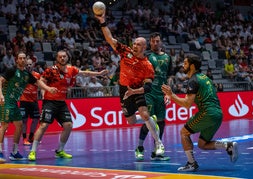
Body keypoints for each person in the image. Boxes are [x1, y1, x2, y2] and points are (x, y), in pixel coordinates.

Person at [95, 12, 165, 156]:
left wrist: (135, 91)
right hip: (124, 90)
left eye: (138, 44)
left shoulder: (147, 65)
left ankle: (159, 143)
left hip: (137, 91)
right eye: (133, 43)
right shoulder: (125, 52)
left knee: (145, 114)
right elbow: (110, 39)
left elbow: (148, 86)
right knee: (131, 121)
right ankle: (150, 120)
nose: (134, 46)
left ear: (144, 47)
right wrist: (102, 22)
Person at [161, 53, 238, 172]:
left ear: (192, 66)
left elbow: (187, 104)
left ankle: (191, 163)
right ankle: (228, 145)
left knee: (184, 132)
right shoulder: (205, 77)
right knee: (202, 144)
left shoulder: (193, 80)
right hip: (218, 114)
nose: (183, 65)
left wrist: (172, 95)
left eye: (185, 63)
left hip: (208, 112)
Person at [28, 50, 108, 161]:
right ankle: (32, 151)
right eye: (60, 57)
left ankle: (60, 150)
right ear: (57, 59)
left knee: (68, 125)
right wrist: (47, 89)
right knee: (43, 126)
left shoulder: (71, 70)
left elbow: (85, 73)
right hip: (50, 102)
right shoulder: (51, 70)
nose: (62, 58)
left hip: (61, 103)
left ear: (67, 58)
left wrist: (99, 74)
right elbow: (40, 81)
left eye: (64, 56)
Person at [0, 51, 57, 163]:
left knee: (20, 125)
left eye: (24, 58)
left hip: (15, 103)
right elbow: (0, 80)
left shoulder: (26, 74)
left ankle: (15, 152)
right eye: (20, 58)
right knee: (4, 126)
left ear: (26, 60)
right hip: (5, 101)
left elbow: (38, 83)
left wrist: (48, 89)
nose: (22, 60)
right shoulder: (12, 70)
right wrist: (0, 94)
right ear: (17, 60)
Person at [135, 32, 172, 161]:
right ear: (150, 43)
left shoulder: (168, 57)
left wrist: (168, 92)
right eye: (153, 41)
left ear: (161, 42)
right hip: (149, 93)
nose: (155, 43)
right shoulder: (146, 57)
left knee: (161, 122)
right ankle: (140, 147)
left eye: (157, 41)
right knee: (150, 120)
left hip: (161, 95)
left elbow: (169, 76)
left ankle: (157, 150)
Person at [20, 58, 41, 146]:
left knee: (36, 119)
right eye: (27, 64)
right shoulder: (21, 75)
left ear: (33, 65)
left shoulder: (37, 75)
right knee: (24, 120)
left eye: (30, 64)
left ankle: (31, 137)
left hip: (34, 101)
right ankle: (24, 138)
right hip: (24, 101)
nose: (28, 66)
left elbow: (40, 85)